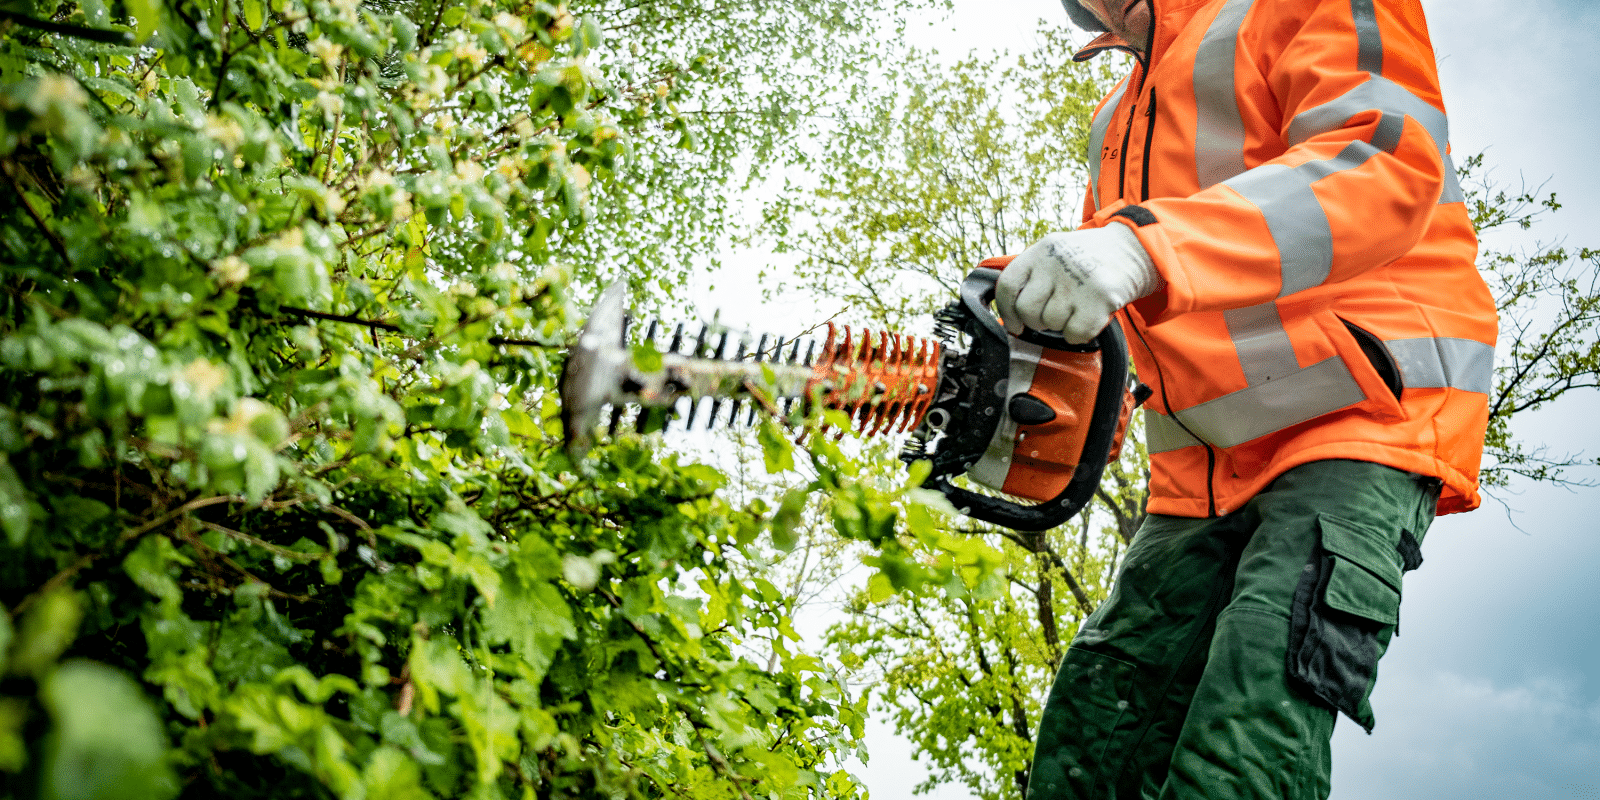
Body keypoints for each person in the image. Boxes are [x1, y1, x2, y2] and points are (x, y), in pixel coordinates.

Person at [992, 0, 1497, 798]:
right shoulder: (1118, 117)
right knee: (1092, 741)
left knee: (1245, 739)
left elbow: (1382, 158)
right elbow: (1122, 306)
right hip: (1199, 474)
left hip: (1361, 423)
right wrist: (1025, 325)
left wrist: (1139, 246)